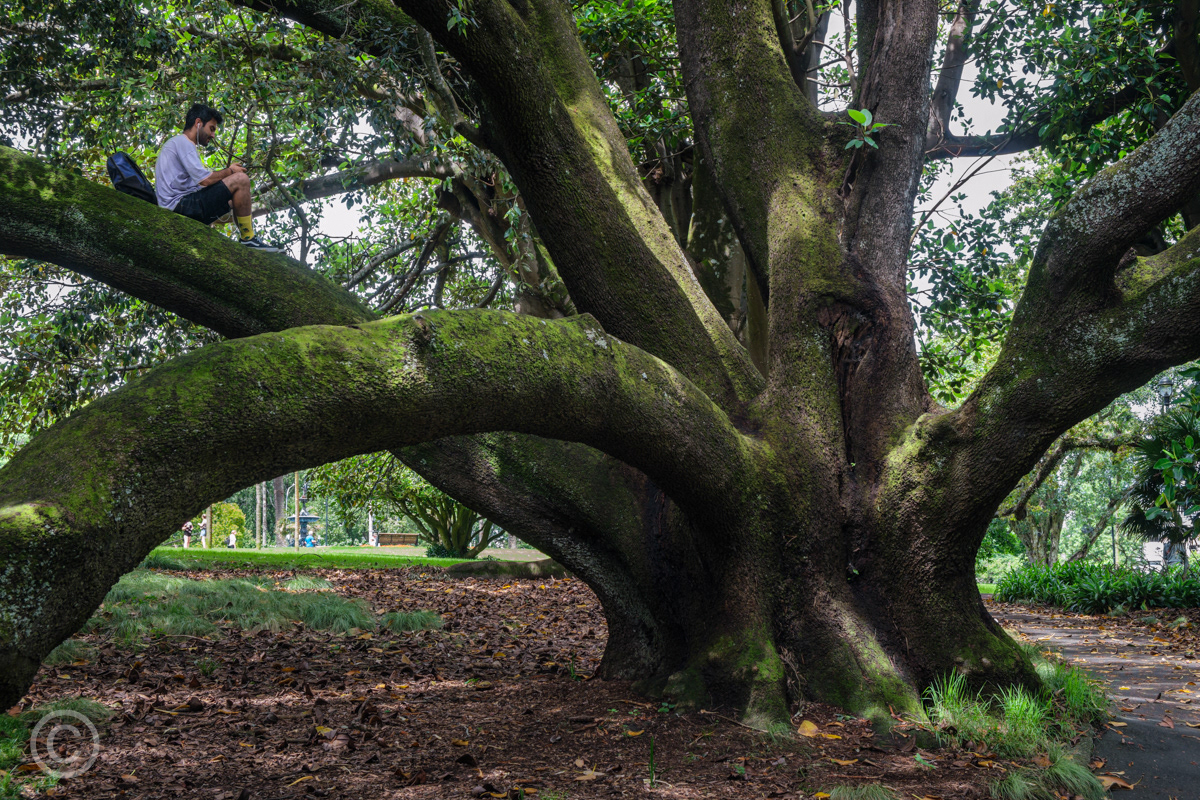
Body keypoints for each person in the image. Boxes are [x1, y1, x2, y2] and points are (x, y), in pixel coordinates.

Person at [155, 102, 281, 252]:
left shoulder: (180, 144)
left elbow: (201, 185)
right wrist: (230, 171)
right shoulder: (184, 143)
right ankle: (248, 239)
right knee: (241, 180)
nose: (213, 135)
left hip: (182, 205)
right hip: (178, 207)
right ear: (198, 123)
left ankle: (247, 239)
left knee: (236, 198)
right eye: (212, 129)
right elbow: (206, 180)